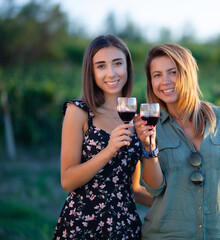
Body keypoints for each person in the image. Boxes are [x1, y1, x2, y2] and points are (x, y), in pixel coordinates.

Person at [134, 43, 220, 240]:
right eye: (157, 75)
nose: (165, 81)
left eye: (172, 72)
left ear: (187, 74)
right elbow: (155, 189)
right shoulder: (151, 127)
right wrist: (149, 148)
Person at [53, 34, 152, 240]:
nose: (111, 73)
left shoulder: (135, 118)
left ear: (127, 67)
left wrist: (177, 203)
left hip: (125, 227)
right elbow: (67, 181)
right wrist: (109, 150)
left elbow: (132, 189)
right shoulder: (79, 111)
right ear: (91, 72)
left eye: (117, 63)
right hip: (83, 224)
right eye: (101, 66)